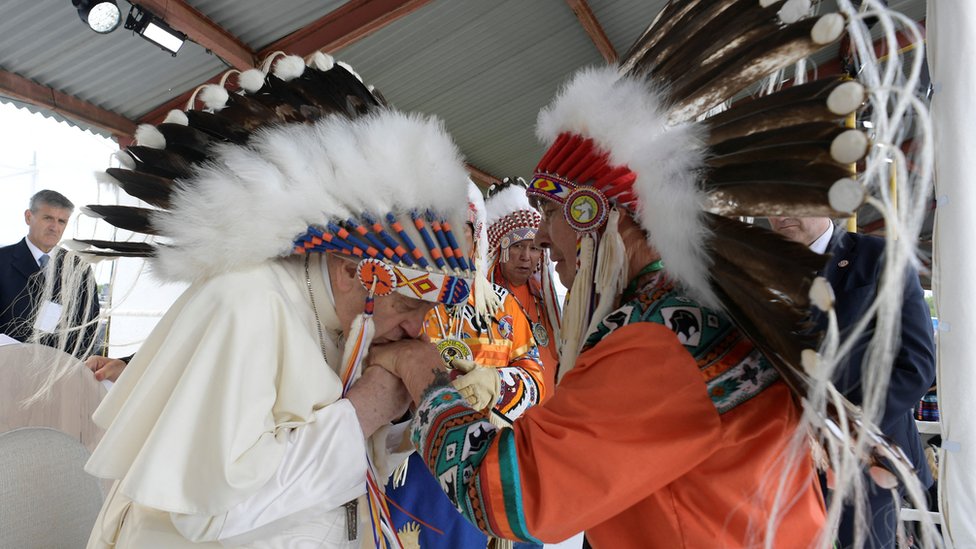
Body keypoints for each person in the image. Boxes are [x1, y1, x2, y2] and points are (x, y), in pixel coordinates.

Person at [367, 2, 932, 546]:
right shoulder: (690, 308)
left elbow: (508, 495)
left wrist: (426, 375)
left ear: (600, 218)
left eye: (552, 214)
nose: (541, 238)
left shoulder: (663, 338)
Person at [50, 52, 478, 548]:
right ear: (347, 272)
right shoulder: (246, 303)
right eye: (407, 308)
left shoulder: (341, 316)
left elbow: (344, 459)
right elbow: (209, 511)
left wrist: (404, 408)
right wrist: (367, 405)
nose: (416, 332)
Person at [387, 183, 545, 549]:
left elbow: (536, 379)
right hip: (413, 459)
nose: (449, 241)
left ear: (478, 237)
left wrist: (498, 383)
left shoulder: (504, 306)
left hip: (486, 457)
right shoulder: (400, 298)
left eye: (462, 228)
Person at [769, 216, 936, 548]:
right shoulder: (761, 266)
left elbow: (915, 365)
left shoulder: (879, 257)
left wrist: (842, 430)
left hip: (868, 454)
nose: (780, 212)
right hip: (784, 452)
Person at [0, 189, 99, 358]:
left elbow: (89, 326)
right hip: (8, 369)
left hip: (60, 371)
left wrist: (76, 367)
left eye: (61, 221)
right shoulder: (2, 261)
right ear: (28, 217)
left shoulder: (79, 268)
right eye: (48, 218)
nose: (55, 227)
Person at [485, 178, 561, 392]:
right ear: (501, 250)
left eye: (534, 248)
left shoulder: (545, 301)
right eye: (518, 246)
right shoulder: (487, 301)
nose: (526, 257)